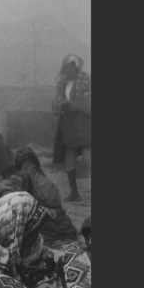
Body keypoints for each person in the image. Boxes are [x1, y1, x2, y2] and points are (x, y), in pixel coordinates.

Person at [52, 54, 91, 201]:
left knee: (88, 159)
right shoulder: (62, 83)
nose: (68, 71)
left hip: (85, 124)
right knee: (69, 159)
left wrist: (75, 105)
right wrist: (61, 103)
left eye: (71, 67)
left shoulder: (87, 79)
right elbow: (57, 100)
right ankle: (74, 192)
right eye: (66, 68)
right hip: (69, 125)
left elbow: (90, 98)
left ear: (77, 68)